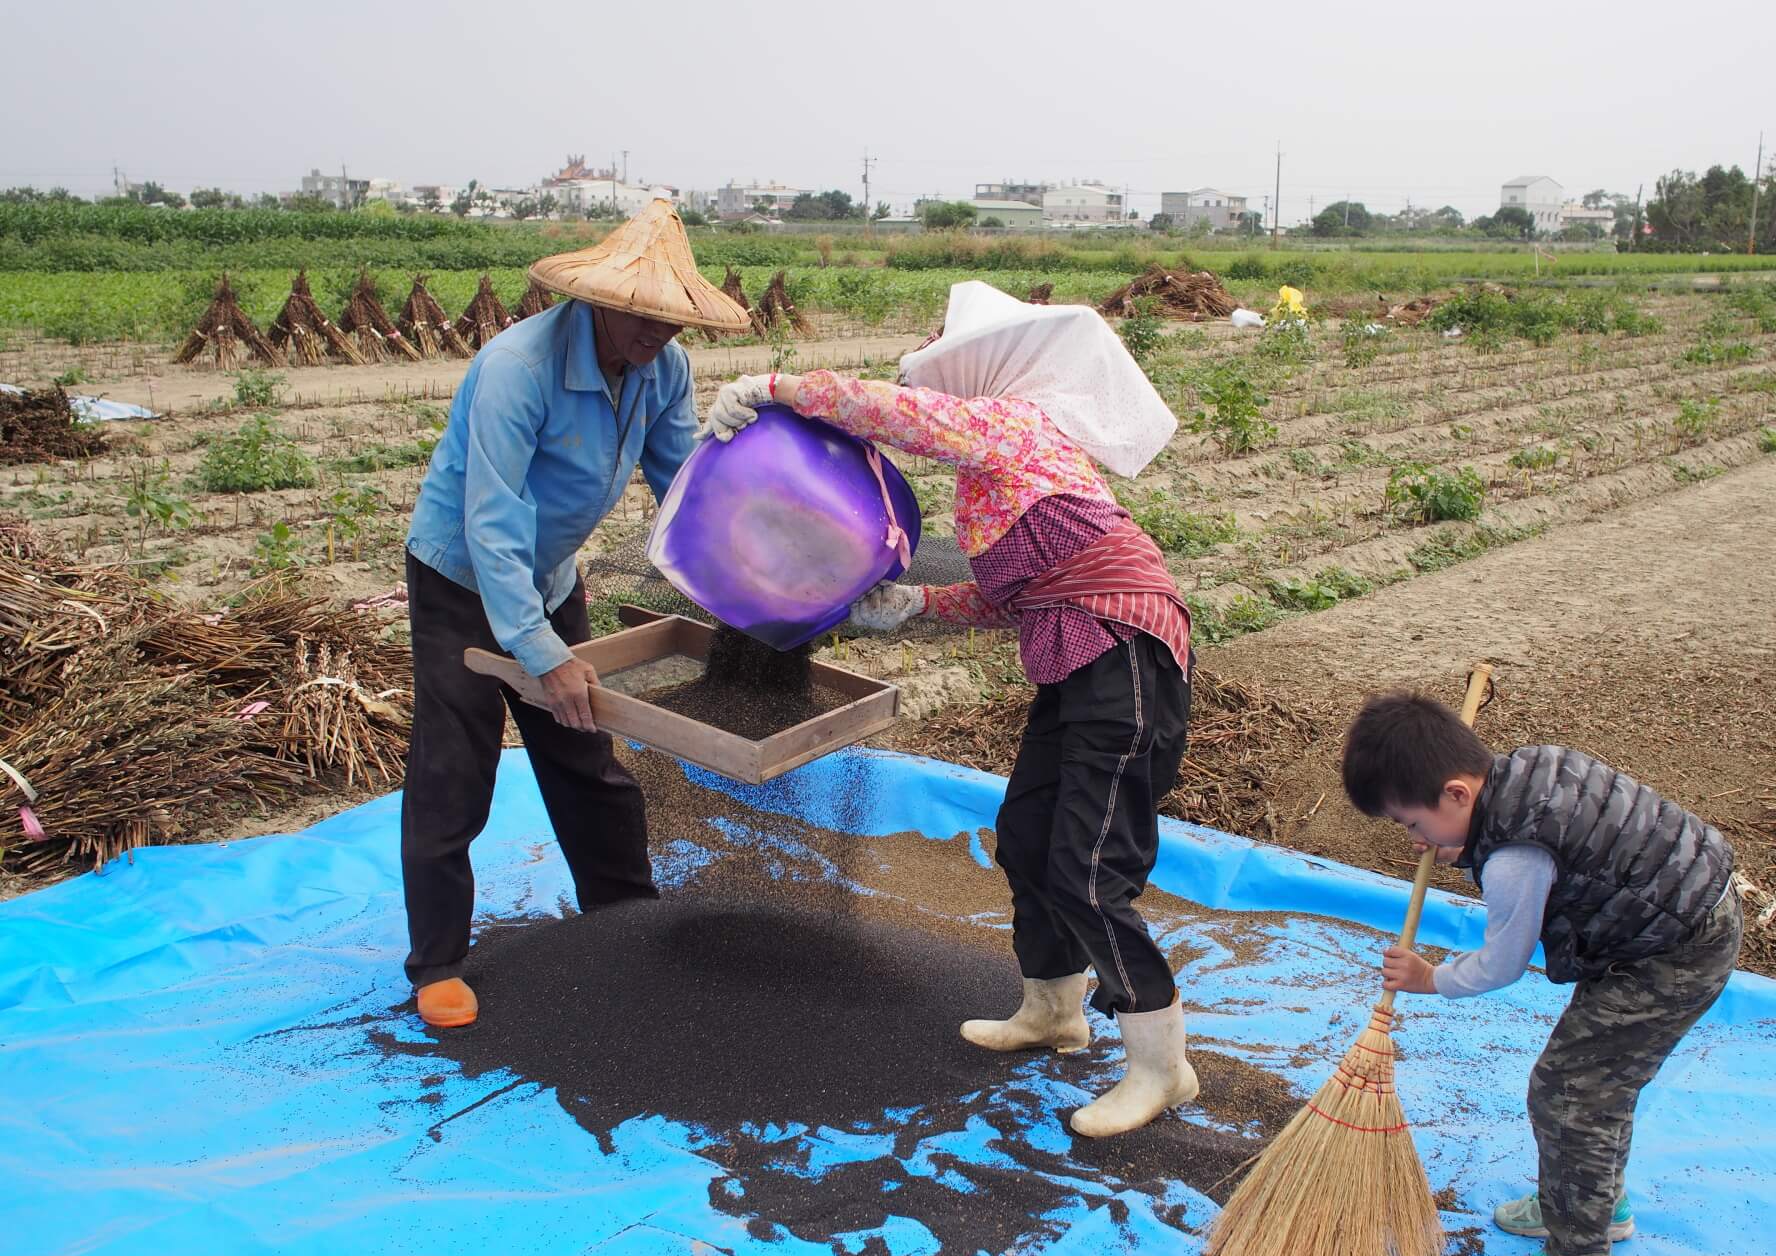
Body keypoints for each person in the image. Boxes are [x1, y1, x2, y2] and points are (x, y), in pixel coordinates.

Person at [704, 282, 1196, 1138]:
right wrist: (920, 609)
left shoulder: (1015, 425)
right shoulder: (994, 476)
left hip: (1124, 660)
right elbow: (1022, 595)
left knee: (1088, 867)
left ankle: (1162, 1066)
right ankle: (1052, 1009)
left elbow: (889, 412)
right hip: (1073, 662)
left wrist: (773, 389)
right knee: (1027, 835)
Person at [400, 198, 752, 1028]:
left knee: (586, 754)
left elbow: (680, 488)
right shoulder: (516, 368)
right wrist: (539, 651)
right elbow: (491, 522)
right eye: (642, 318)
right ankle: (439, 963)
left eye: (671, 321)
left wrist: (741, 590)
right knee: (456, 768)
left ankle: (625, 917)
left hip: (552, 575)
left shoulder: (663, 368)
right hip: (461, 578)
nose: (657, 334)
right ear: (599, 301)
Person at [1341, 692, 1741, 1256]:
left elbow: (1502, 963)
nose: (1414, 841)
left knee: (1570, 1093)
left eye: (1411, 824)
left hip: (1671, 954)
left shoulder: (1515, 860)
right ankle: (1592, 1201)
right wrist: (1456, 844)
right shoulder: (1525, 772)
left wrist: (1431, 977)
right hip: (1672, 914)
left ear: (1456, 793)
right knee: (1599, 1084)